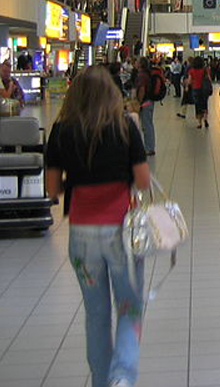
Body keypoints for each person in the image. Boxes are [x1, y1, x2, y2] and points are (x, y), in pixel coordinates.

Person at [44, 66, 150, 387]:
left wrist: (75, 183)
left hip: (81, 236)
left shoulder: (61, 131)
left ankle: (102, 381)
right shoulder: (124, 128)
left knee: (96, 315)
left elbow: (52, 189)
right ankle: (122, 376)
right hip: (121, 233)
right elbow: (143, 181)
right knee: (129, 310)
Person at [133, 57, 156, 156]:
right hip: (149, 101)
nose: (135, 63)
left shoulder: (141, 75)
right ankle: (149, 146)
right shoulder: (147, 73)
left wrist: (139, 102)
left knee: (146, 125)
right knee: (148, 124)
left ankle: (149, 148)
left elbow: (142, 89)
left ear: (141, 64)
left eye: (137, 62)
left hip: (145, 102)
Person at [186, 56, 210, 129]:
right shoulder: (205, 70)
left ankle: (199, 123)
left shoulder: (191, 71)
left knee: (198, 106)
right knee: (204, 104)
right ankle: (205, 119)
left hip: (195, 89)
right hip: (204, 89)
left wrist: (187, 86)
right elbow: (209, 79)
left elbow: (189, 81)